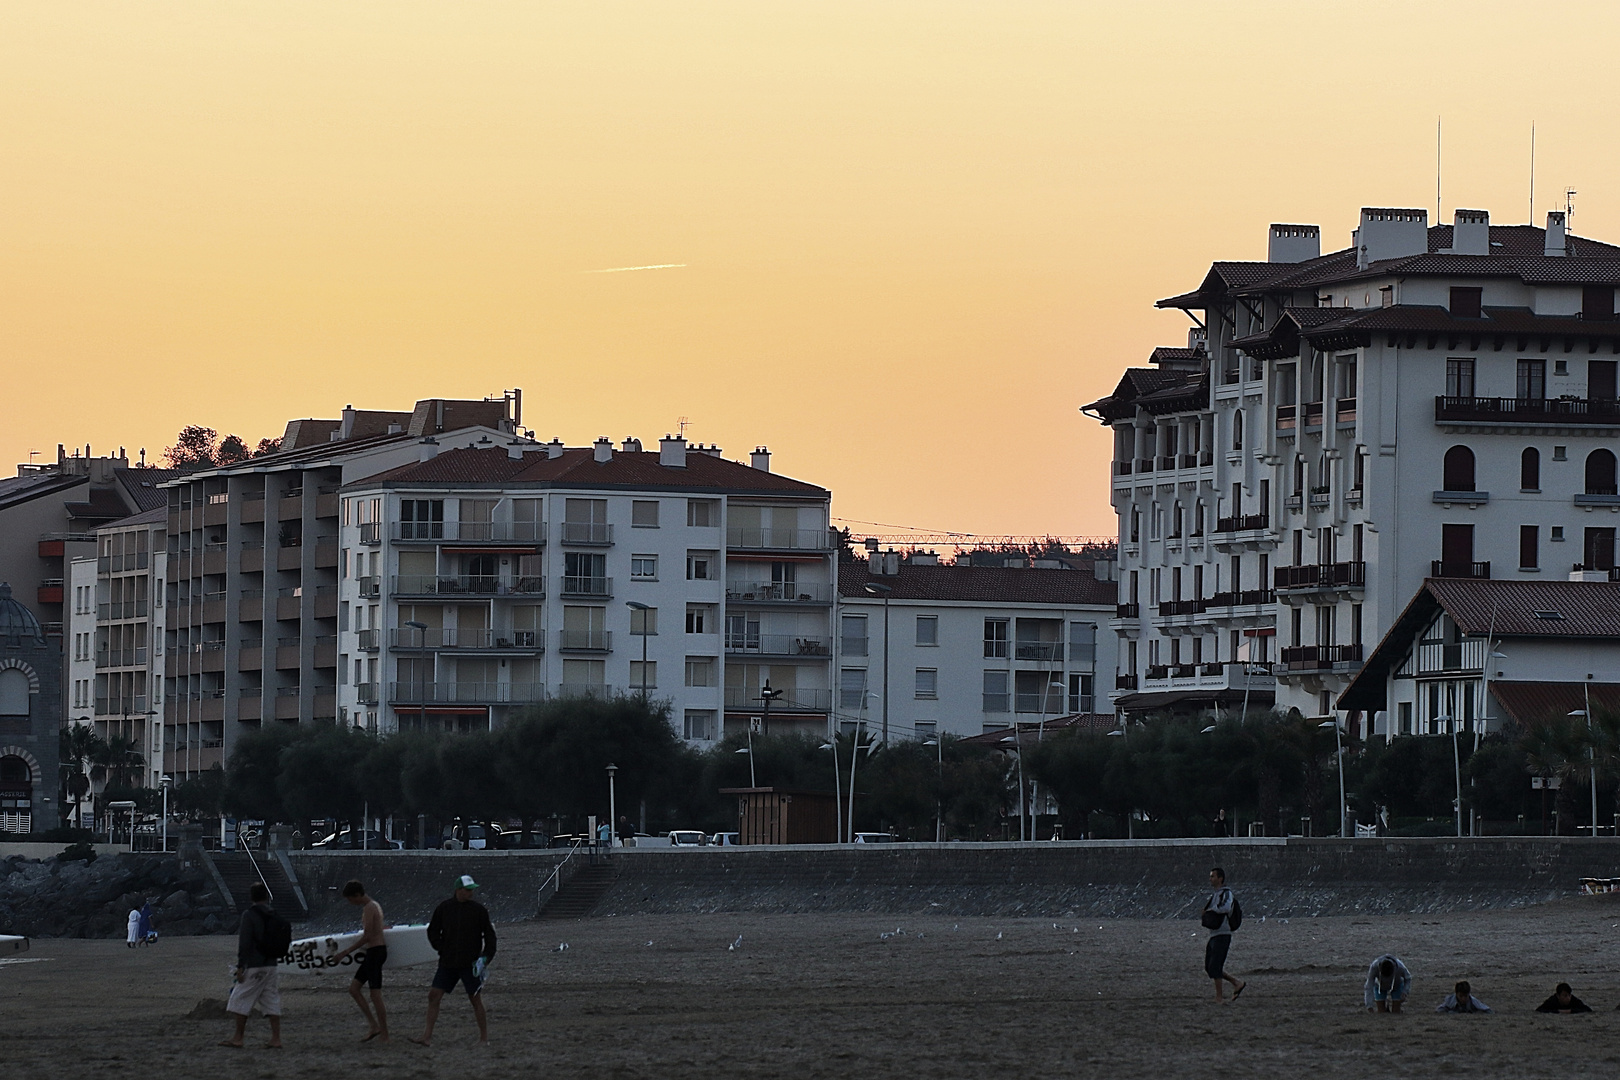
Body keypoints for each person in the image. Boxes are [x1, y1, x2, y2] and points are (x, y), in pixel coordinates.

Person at [411, 874, 497, 1047]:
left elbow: (490, 936)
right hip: (448, 962)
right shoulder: (444, 908)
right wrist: (440, 947)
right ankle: (426, 1036)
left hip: (470, 963)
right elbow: (433, 931)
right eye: (467, 890)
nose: (471, 893)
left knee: (475, 999)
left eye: (472, 890)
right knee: (434, 996)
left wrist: (486, 957)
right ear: (458, 890)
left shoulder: (478, 910)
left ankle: (483, 1038)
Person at [222, 883, 283, 1049]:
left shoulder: (249, 915)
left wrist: (241, 966)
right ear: (266, 896)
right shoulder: (274, 914)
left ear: (252, 898)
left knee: (240, 997)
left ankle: (238, 1037)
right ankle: (276, 1038)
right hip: (272, 963)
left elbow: (245, 942)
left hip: (255, 963)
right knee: (271, 998)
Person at [331, 880, 389, 1042]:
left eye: (350, 899)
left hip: (376, 952)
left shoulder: (370, 907)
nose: (351, 903)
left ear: (357, 895)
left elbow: (368, 936)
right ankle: (373, 1025)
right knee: (354, 989)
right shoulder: (374, 905)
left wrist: (345, 952)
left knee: (375, 994)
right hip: (374, 951)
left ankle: (385, 1034)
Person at [1200, 868, 1245, 1003]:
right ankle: (1236, 983)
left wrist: (1210, 911)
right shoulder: (1215, 895)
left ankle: (1219, 997)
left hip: (1223, 933)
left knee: (1216, 965)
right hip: (1214, 934)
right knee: (1209, 967)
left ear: (1220, 878)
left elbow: (1225, 908)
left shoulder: (1226, 893)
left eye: (1213, 876)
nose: (1210, 879)